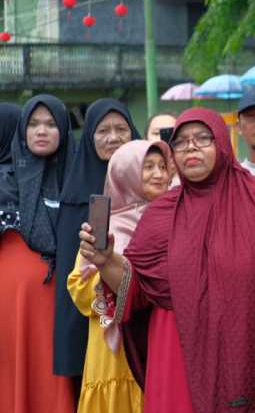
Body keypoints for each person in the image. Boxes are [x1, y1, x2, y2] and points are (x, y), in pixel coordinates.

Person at [76, 107, 255, 413]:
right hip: (176, 353)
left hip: (246, 347)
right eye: (180, 142)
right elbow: (137, 291)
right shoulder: (161, 213)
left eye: (202, 138)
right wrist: (106, 262)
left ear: (222, 143)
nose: (190, 147)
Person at [67, 140, 173, 413]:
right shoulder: (106, 226)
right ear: (125, 171)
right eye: (147, 167)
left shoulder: (175, 220)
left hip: (160, 338)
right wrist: (111, 274)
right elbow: (79, 289)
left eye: (163, 166)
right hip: (114, 352)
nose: (159, 174)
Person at [0, 96, 76, 413]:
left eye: (50, 124)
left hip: (67, 299)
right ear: (21, 131)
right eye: (33, 124)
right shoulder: (6, 180)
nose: (41, 131)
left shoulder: (77, 176)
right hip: (14, 304)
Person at [54, 98, 140, 379]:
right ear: (90, 137)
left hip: (143, 312)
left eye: (121, 129)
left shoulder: (148, 183)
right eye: (103, 131)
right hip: (93, 323)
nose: (113, 138)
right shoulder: (75, 195)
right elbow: (71, 270)